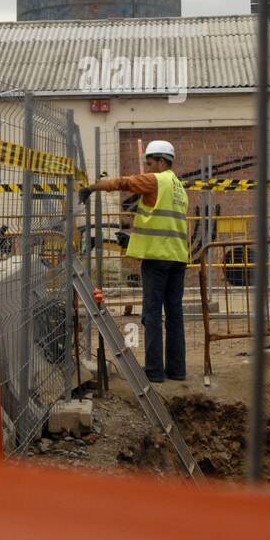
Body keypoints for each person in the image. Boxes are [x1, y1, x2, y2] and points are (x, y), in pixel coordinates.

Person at [80, 140, 188, 383]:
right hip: (178, 258)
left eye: (149, 163)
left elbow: (124, 183)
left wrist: (93, 187)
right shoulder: (178, 186)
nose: (147, 169)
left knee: (151, 314)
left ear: (161, 162)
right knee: (174, 315)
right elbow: (164, 223)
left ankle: (154, 372)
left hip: (157, 259)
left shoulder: (155, 180)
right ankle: (177, 370)